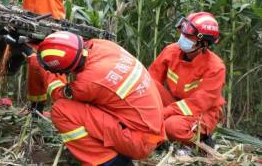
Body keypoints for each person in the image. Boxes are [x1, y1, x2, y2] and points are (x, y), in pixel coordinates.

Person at [31, 31, 165, 165]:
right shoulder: (103, 45)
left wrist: (40, 65)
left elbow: (57, 94)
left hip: (140, 141)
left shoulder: (88, 82)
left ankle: (110, 162)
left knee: (62, 110)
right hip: (151, 130)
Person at [148, 12, 225, 146]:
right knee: (149, 84)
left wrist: (163, 113)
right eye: (183, 34)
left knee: (171, 127)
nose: (182, 38)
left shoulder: (215, 68)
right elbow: (151, 79)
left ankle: (201, 142)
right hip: (177, 105)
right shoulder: (171, 51)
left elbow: (197, 104)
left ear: (204, 43)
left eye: (189, 37)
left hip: (201, 112)